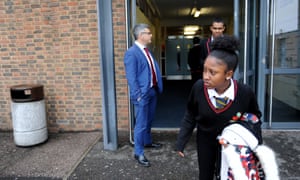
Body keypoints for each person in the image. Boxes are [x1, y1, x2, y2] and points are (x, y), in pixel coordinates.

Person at [176, 35, 263, 180]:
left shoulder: (244, 92)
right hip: (205, 141)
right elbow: (190, 114)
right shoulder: (198, 88)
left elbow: (254, 118)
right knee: (205, 175)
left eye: (213, 72)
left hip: (232, 144)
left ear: (228, 74)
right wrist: (181, 142)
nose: (206, 76)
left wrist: (256, 145)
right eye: (204, 70)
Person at [123, 23, 163, 167]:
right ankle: (138, 152)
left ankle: (147, 142)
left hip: (152, 91)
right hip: (142, 94)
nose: (151, 35)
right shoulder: (132, 53)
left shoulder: (146, 50)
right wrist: (138, 96)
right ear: (141, 35)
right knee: (140, 124)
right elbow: (131, 78)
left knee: (149, 119)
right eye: (149, 33)